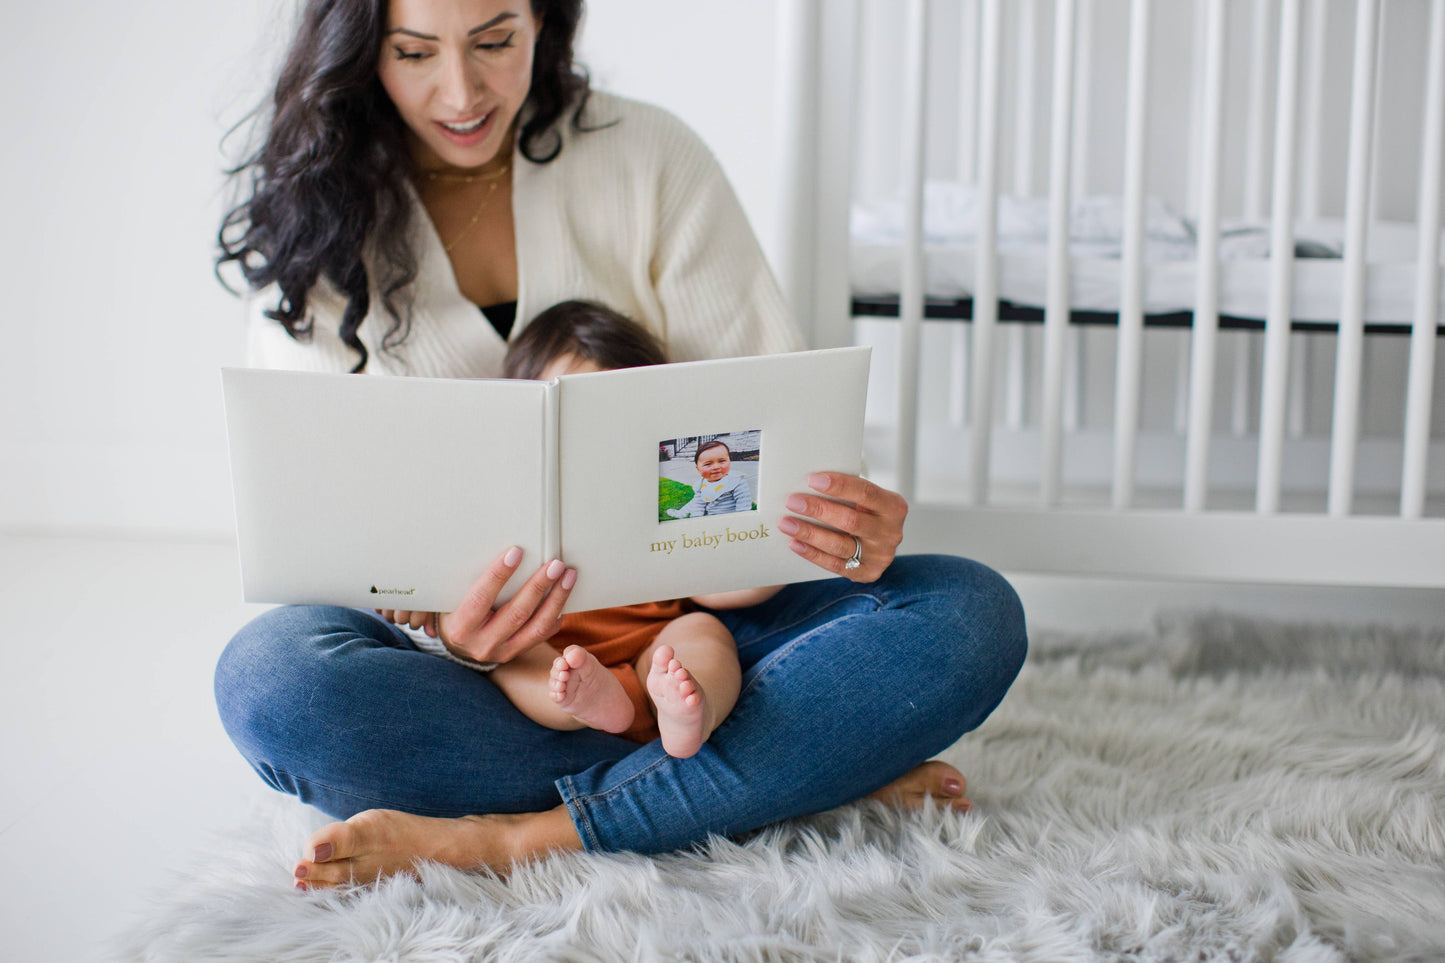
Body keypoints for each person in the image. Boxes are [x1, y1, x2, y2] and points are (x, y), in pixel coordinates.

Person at [213, 0, 1028, 891]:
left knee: (966, 611)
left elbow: (774, 425)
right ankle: (785, 774)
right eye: (414, 53)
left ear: (543, 21)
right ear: (361, 53)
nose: (461, 90)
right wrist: (458, 636)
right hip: (502, 678)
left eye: (495, 41)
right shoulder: (319, 228)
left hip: (696, 628)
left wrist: (837, 516)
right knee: (272, 680)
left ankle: (520, 838)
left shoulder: (650, 160)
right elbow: (334, 536)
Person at [427, 299, 763, 760]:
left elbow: (724, 585)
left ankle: (691, 713)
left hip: (655, 641)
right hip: (544, 641)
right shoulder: (503, 501)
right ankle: (589, 705)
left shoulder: (671, 493)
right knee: (515, 660)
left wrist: (768, 554)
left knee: (704, 632)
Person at [666, 439, 752, 519]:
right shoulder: (702, 484)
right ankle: (681, 513)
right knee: (694, 502)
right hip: (710, 517)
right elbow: (698, 504)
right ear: (698, 469)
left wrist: (739, 520)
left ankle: (681, 513)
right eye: (708, 464)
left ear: (729, 461)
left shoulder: (736, 481)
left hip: (728, 517)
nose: (716, 467)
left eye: (722, 461)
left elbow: (744, 504)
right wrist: (696, 519)